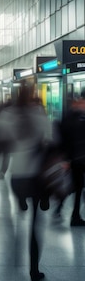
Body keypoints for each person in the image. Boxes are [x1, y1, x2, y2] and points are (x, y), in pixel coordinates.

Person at [0, 84, 52, 281]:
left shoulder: (7, 115)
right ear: (32, 97)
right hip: (37, 176)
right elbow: (52, 140)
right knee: (36, 224)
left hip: (17, 177)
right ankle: (34, 271)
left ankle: (15, 253)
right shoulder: (39, 114)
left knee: (20, 216)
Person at [60, 89, 85, 226]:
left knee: (76, 187)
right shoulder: (75, 116)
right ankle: (74, 216)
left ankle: (71, 213)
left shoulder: (72, 114)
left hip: (76, 158)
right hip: (77, 159)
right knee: (76, 187)